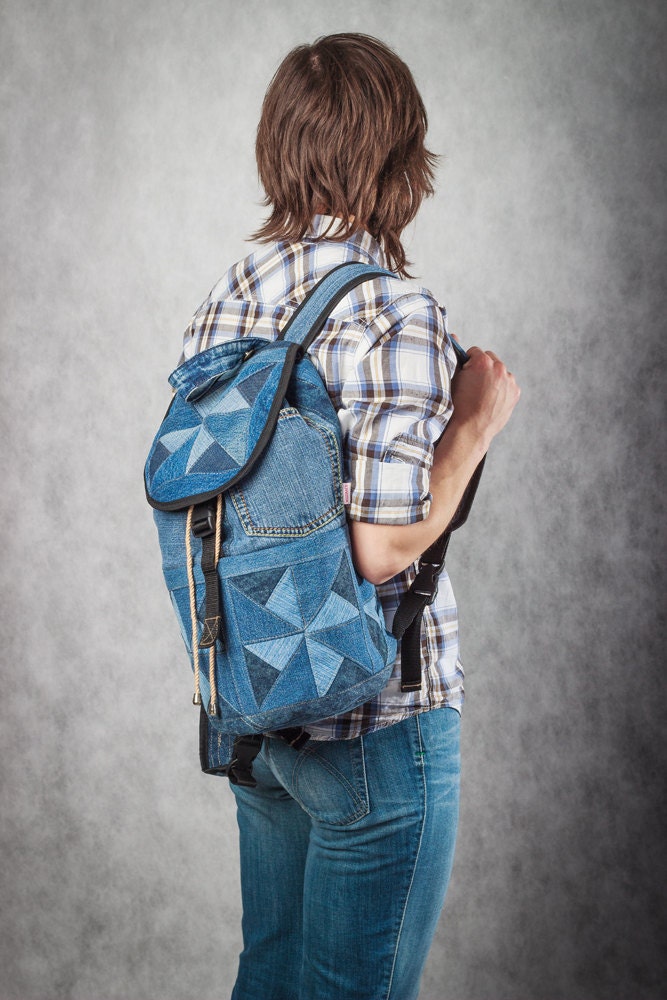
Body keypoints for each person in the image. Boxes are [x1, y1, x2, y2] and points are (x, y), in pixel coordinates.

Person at [180, 32, 520, 1000]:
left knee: (272, 976)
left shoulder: (229, 295)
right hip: (376, 714)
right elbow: (378, 550)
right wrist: (473, 427)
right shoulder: (392, 308)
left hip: (253, 700)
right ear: (401, 154)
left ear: (275, 146)